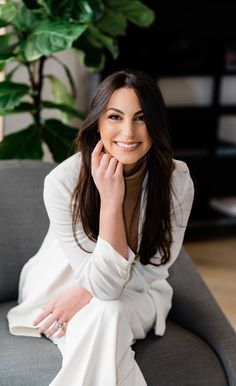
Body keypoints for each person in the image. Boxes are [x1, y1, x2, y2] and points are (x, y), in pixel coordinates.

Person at [7, 69, 194, 386]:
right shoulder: (63, 183)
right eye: (115, 117)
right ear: (98, 122)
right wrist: (111, 199)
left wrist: (83, 292)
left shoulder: (177, 180)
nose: (128, 131)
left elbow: (150, 270)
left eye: (140, 118)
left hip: (140, 293)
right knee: (108, 313)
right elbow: (105, 290)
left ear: (155, 123)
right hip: (57, 288)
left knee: (109, 309)